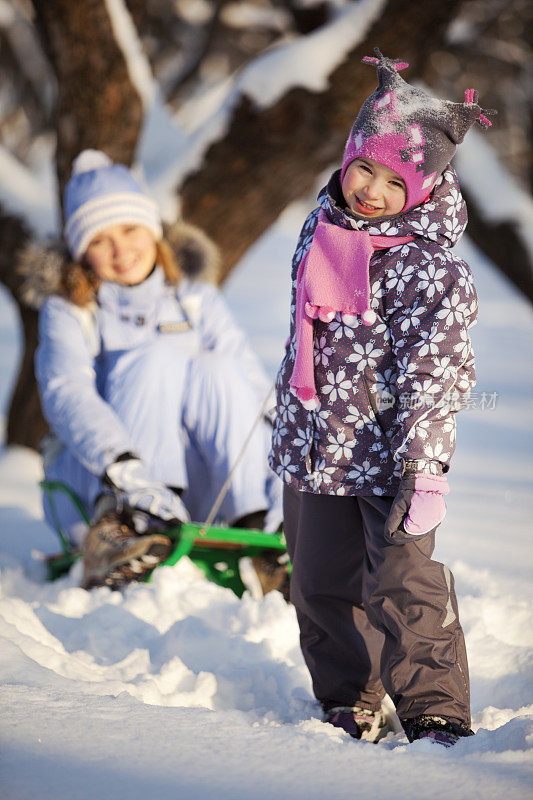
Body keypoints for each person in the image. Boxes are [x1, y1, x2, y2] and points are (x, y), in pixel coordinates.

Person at [269, 50, 493, 746]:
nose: (370, 189)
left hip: (393, 458)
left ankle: (433, 710)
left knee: (404, 585)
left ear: (422, 187)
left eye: (394, 181)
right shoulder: (321, 230)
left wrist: (423, 469)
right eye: (363, 167)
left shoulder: (428, 269)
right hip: (316, 447)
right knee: (318, 587)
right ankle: (349, 697)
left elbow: (436, 374)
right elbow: (306, 339)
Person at [36, 150, 284, 590]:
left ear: (153, 230)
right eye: (99, 239)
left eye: (130, 229)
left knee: (219, 368)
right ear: (81, 252)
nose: (120, 250)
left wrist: (287, 477)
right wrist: (126, 470)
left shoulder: (195, 301)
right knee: (155, 356)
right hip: (99, 482)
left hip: (199, 488)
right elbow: (66, 392)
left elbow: (254, 392)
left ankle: (256, 521)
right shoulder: (70, 312)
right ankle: (133, 525)